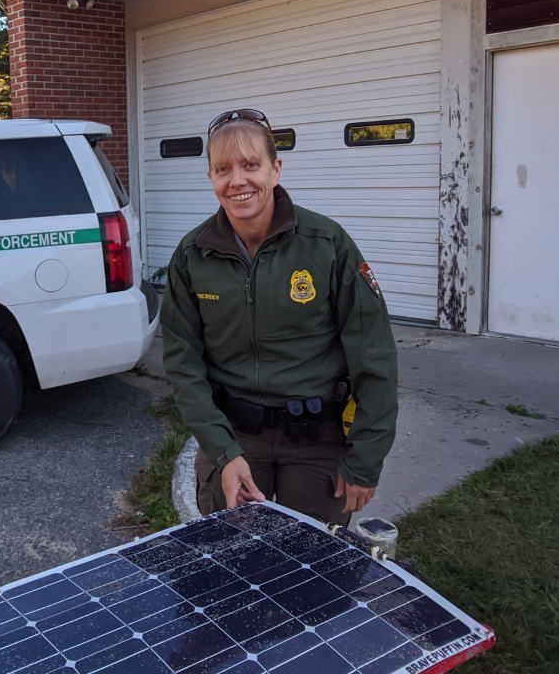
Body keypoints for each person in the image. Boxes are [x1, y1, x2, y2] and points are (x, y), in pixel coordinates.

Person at [160, 108, 398, 527]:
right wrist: (222, 451)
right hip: (234, 436)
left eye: (251, 165)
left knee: (313, 569)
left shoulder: (328, 245)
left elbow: (374, 356)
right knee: (227, 563)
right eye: (223, 168)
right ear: (211, 178)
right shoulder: (192, 255)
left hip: (317, 441)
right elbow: (183, 364)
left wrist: (365, 459)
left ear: (276, 170)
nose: (238, 180)